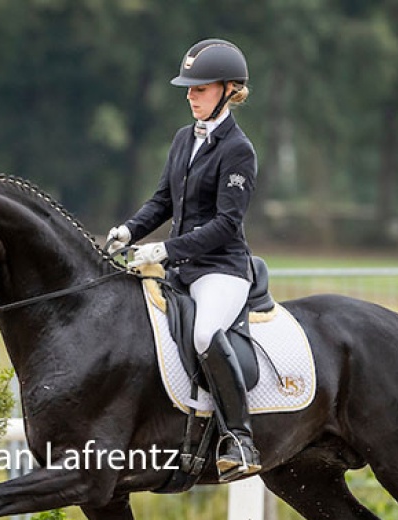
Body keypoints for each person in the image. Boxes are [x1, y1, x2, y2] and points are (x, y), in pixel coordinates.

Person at [106, 38, 260, 482]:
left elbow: (227, 224)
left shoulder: (238, 150)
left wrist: (167, 250)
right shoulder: (183, 138)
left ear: (229, 90)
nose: (190, 95)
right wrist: (129, 231)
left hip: (221, 270)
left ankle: (239, 438)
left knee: (205, 333)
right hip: (180, 269)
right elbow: (162, 201)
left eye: (201, 88)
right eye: (189, 88)